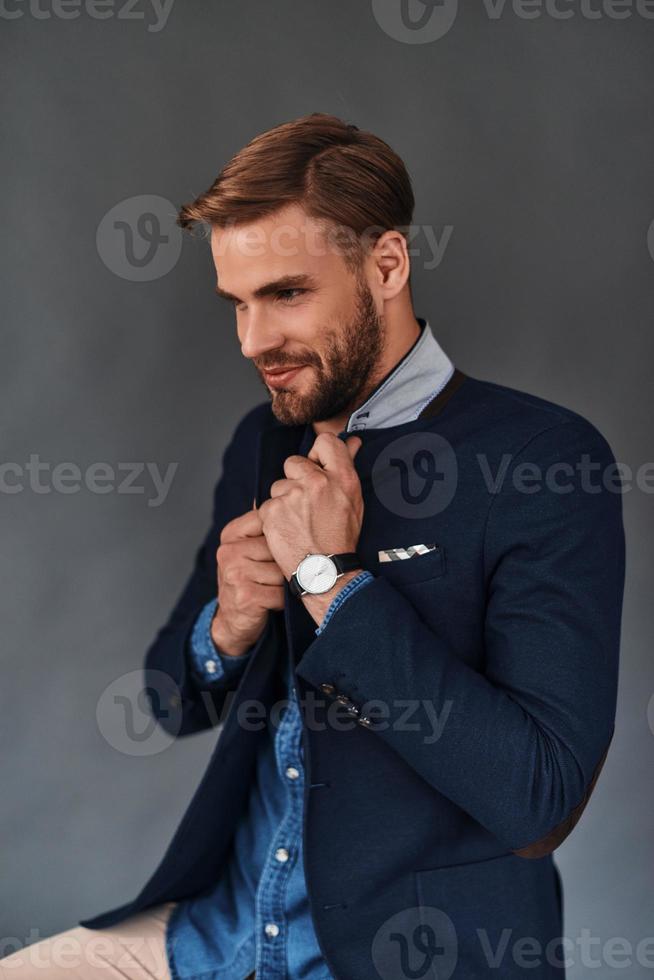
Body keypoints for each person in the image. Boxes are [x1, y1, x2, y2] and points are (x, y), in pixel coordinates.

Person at [1, 113, 625, 980]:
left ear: (388, 265)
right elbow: (170, 701)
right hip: (212, 936)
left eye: (286, 293)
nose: (254, 342)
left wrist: (333, 585)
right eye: (238, 303)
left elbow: (540, 801)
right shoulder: (264, 439)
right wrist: (225, 626)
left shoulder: (544, 461)